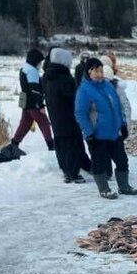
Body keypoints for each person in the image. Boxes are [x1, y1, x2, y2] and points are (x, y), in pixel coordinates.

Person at [74, 57, 137, 199]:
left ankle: (124, 186)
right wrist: (89, 133)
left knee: (122, 160)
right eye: (96, 71)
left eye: (101, 70)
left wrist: (122, 125)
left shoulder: (108, 86)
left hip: (113, 133)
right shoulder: (84, 90)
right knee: (99, 163)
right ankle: (104, 189)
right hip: (97, 135)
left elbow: (117, 107)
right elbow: (80, 113)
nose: (99, 74)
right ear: (89, 72)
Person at [41, 47, 90, 183]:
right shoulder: (64, 78)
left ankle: (66, 169)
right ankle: (72, 172)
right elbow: (73, 98)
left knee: (61, 142)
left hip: (55, 115)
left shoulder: (47, 75)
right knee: (73, 143)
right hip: (68, 116)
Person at [8, 48, 55, 155]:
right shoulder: (32, 71)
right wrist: (40, 105)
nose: (40, 64)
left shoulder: (24, 68)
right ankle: (51, 146)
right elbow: (34, 90)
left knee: (25, 123)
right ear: (35, 61)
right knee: (44, 123)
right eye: (39, 62)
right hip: (33, 103)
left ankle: (14, 143)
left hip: (25, 101)